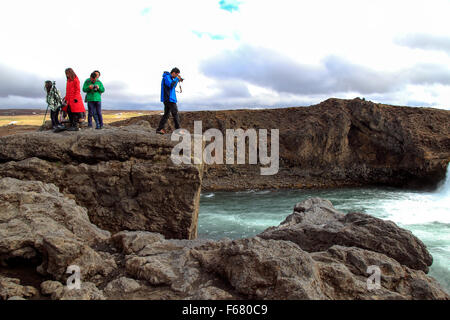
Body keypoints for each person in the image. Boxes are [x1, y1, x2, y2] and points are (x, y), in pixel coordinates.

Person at [156, 67, 183, 134]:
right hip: (169, 99)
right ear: (173, 73)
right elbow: (171, 85)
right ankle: (178, 130)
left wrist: (177, 80)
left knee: (166, 115)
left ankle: (159, 129)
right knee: (175, 113)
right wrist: (177, 79)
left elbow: (172, 85)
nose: (177, 76)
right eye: (176, 75)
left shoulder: (170, 78)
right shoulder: (167, 77)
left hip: (168, 99)